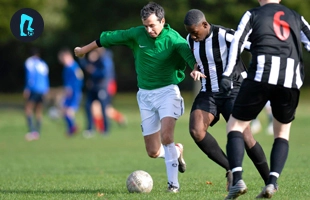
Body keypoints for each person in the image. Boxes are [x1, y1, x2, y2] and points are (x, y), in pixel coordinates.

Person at [74, 2, 205, 192]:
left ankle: (173, 186)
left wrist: (195, 70)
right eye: (146, 25)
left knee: (167, 136)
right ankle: (176, 152)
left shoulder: (175, 40)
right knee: (153, 151)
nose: (149, 29)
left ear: (162, 21)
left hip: (168, 92)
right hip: (145, 96)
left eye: (152, 25)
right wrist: (83, 50)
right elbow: (107, 38)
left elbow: (193, 60)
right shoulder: (137, 34)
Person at [220, 0, 310, 199]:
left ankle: (238, 178)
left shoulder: (253, 14)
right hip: (290, 80)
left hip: (261, 75)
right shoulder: (296, 16)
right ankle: (271, 182)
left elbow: (238, 42)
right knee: (282, 133)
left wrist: (227, 74)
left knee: (235, 126)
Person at [184, 9, 270, 191]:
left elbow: (254, 47)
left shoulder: (225, 35)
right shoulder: (190, 39)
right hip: (209, 92)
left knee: (246, 137)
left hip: (234, 91)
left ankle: (270, 182)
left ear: (205, 25)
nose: (192, 36)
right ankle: (230, 168)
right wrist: (195, 69)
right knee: (196, 130)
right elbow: (199, 59)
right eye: (190, 32)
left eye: (195, 32)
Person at [79, 48, 110, 137]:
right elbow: (86, 67)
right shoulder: (94, 61)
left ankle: (105, 129)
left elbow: (103, 74)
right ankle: (89, 128)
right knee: (88, 107)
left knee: (103, 109)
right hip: (92, 88)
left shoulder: (104, 61)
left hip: (101, 88)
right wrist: (82, 58)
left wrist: (94, 71)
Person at [23, 48, 49, 141]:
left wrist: (27, 88)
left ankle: (32, 131)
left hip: (34, 89)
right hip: (43, 90)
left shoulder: (30, 62)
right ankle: (37, 132)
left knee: (28, 109)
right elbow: (46, 77)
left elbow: (30, 76)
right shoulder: (43, 64)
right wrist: (46, 89)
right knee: (38, 111)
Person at [58, 48, 84, 136]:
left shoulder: (73, 67)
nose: (62, 61)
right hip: (70, 92)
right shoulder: (67, 68)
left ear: (67, 56)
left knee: (68, 111)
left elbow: (79, 78)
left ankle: (72, 128)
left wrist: (73, 89)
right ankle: (72, 128)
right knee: (64, 110)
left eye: (62, 58)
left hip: (74, 93)